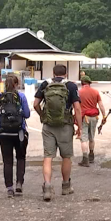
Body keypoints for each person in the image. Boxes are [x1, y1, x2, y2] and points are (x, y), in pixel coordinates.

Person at [34, 65, 82, 201]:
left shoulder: (45, 84)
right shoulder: (71, 86)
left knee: (48, 157)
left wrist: (43, 115)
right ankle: (66, 186)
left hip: (48, 126)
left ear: (53, 73)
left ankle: (48, 187)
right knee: (66, 157)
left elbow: (36, 104)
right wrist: (79, 127)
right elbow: (77, 108)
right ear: (66, 74)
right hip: (65, 125)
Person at [0, 75, 31, 198]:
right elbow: (27, 114)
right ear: (16, 84)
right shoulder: (21, 96)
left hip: (4, 133)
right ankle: (19, 183)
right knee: (20, 158)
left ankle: (9, 188)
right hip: (19, 132)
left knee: (7, 161)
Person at [78, 76, 106, 167]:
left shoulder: (79, 92)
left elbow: (76, 106)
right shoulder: (95, 92)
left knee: (84, 138)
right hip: (94, 117)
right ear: (89, 83)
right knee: (91, 137)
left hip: (84, 117)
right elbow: (101, 105)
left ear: (82, 83)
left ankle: (85, 159)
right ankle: (91, 155)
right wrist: (104, 115)